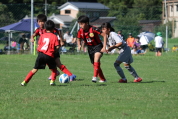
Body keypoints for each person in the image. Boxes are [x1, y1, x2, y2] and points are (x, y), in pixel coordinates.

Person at [31, 14, 76, 81]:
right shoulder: (38, 30)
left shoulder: (50, 28)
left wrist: (61, 40)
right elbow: (33, 35)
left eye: (42, 21)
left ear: (45, 21)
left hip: (53, 49)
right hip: (45, 51)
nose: (40, 23)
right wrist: (32, 38)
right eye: (39, 22)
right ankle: (55, 73)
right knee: (48, 61)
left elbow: (59, 31)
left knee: (57, 63)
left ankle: (70, 75)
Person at [21, 20, 60, 86]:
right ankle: (52, 81)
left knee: (35, 69)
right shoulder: (54, 36)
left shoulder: (42, 36)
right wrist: (55, 51)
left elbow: (39, 45)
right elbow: (57, 46)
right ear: (53, 28)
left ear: (45, 28)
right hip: (50, 55)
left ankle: (24, 82)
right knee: (54, 69)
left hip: (41, 54)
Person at [77, 15, 107, 83]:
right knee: (94, 65)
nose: (80, 25)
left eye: (81, 24)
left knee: (96, 58)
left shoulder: (94, 29)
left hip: (98, 46)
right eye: (79, 24)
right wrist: (79, 45)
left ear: (86, 23)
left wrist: (104, 47)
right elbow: (78, 39)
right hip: (90, 48)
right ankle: (103, 79)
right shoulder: (80, 31)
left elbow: (104, 35)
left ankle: (94, 77)